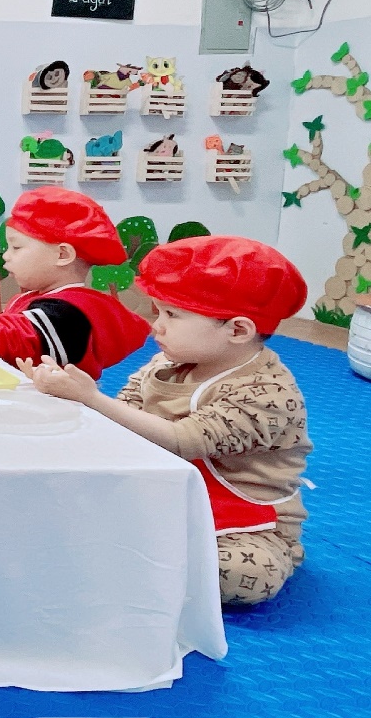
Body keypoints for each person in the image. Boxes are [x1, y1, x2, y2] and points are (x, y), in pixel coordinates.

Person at [19, 236, 312, 605]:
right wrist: (61, 393)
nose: (156, 326)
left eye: (172, 315)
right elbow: (123, 414)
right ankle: (142, 553)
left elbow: (182, 440)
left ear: (238, 330)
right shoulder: (167, 363)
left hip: (245, 523)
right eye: (157, 312)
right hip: (167, 493)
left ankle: (138, 557)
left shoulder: (268, 393)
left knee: (247, 574)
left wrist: (90, 397)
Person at [0, 187, 150, 378]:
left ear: (62, 255)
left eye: (16, 247)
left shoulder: (64, 313)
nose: (6, 256)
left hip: (54, 409)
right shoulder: (43, 299)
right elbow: (3, 336)